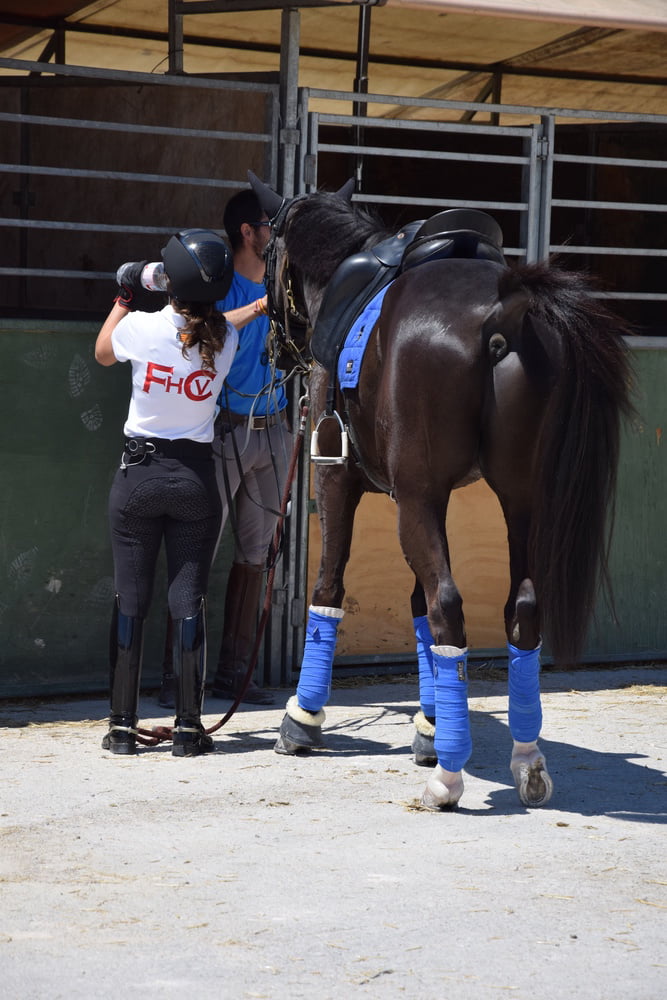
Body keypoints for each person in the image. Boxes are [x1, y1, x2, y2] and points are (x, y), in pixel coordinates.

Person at [95, 229, 237, 757]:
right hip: (195, 480)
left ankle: (121, 728)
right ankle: (186, 728)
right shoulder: (225, 340)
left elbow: (103, 351)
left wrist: (127, 292)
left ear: (169, 282)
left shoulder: (140, 328)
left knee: (131, 599)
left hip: (139, 476)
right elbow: (215, 325)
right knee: (188, 601)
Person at [158, 189, 292, 708]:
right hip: (225, 427)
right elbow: (206, 332)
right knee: (199, 549)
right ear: (247, 232)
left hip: (272, 425)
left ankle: (235, 673)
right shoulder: (218, 285)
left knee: (257, 553)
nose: (273, 234)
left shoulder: (283, 282)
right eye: (268, 225)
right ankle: (178, 674)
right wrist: (262, 307)